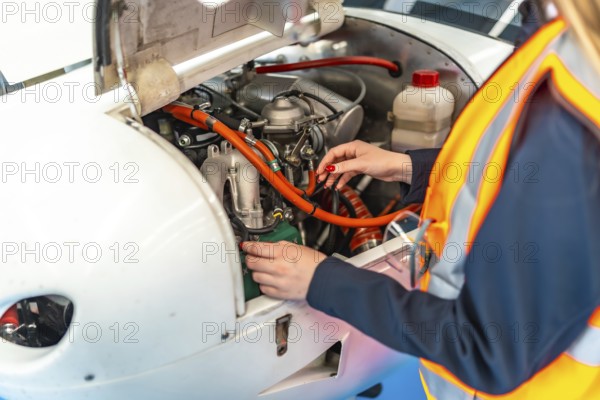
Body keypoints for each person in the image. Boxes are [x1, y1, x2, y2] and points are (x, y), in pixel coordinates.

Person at [244, 0, 600, 398]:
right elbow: (508, 165)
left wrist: (323, 280)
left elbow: (488, 351)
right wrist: (407, 166)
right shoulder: (570, 44)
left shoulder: (574, 120)